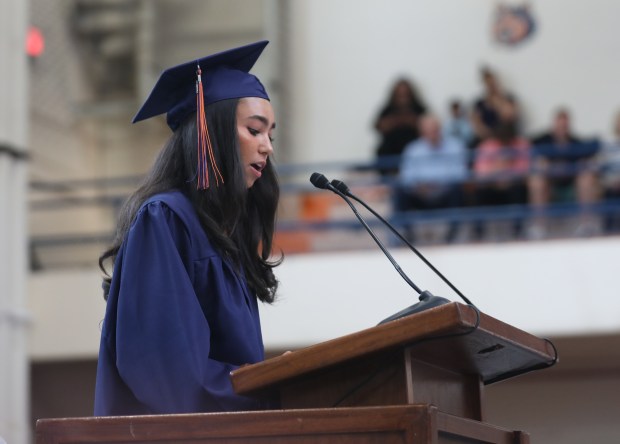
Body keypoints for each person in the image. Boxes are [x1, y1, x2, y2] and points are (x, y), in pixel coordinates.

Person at [94, 41, 281, 416]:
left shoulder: (224, 236)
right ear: (212, 134)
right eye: (255, 131)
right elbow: (166, 373)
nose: (268, 148)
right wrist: (271, 387)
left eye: (270, 136)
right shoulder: (164, 220)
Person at [528, 108, 599, 237]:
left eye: (565, 125)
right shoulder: (542, 141)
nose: (562, 127)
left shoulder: (576, 143)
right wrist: (542, 164)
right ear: (554, 124)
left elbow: (588, 157)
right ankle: (539, 226)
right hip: (550, 181)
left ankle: (586, 224)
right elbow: (531, 152)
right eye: (559, 124)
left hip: (570, 181)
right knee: (536, 181)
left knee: (587, 179)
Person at [395, 115, 468, 243]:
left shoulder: (454, 146)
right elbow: (406, 176)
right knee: (399, 192)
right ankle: (408, 236)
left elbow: (461, 173)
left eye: (435, 130)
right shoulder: (413, 150)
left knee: (458, 191)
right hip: (420, 194)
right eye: (428, 131)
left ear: (440, 129)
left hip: (445, 192)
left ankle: (452, 236)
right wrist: (419, 186)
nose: (432, 134)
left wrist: (438, 184)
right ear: (421, 132)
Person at [473, 121, 530, 239]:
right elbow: (480, 173)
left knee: (519, 190)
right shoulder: (487, 146)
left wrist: (508, 174)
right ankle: (478, 233)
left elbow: (525, 170)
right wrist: (497, 169)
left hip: (513, 186)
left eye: (508, 138)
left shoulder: (521, 145)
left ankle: (518, 232)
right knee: (479, 192)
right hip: (492, 186)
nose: (505, 142)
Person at [374, 78, 427, 176]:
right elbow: (377, 126)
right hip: (390, 152)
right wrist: (395, 121)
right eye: (400, 94)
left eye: (405, 94)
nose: (402, 97)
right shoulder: (388, 109)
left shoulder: (418, 108)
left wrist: (412, 121)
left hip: (415, 152)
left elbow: (428, 125)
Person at [470, 67, 520, 147]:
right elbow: (477, 124)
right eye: (488, 83)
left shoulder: (507, 99)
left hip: (506, 137)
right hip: (487, 138)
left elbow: (510, 117)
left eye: (492, 83)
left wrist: (498, 103)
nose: (491, 86)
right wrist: (488, 135)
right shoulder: (479, 103)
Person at [598, 110, 620, 232]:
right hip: (611, 182)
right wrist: (613, 180)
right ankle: (608, 231)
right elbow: (602, 163)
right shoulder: (607, 142)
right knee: (610, 192)